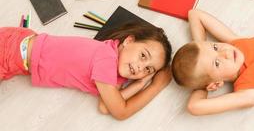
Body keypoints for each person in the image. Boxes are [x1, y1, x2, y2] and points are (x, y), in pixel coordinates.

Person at [0, 23, 172, 120]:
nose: (141, 67)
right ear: (128, 41)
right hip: (10, 51)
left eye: (148, 69)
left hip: (18, 54)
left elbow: (106, 106)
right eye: (143, 56)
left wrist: (141, 82)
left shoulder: (114, 71)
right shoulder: (106, 60)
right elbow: (120, 111)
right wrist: (155, 86)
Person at [171, 9, 254, 115]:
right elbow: (194, 106)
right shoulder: (248, 91)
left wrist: (201, 45)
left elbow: (195, 14)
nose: (225, 52)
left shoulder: (236, 44)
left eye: (215, 47)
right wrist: (205, 84)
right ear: (215, 84)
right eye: (216, 63)